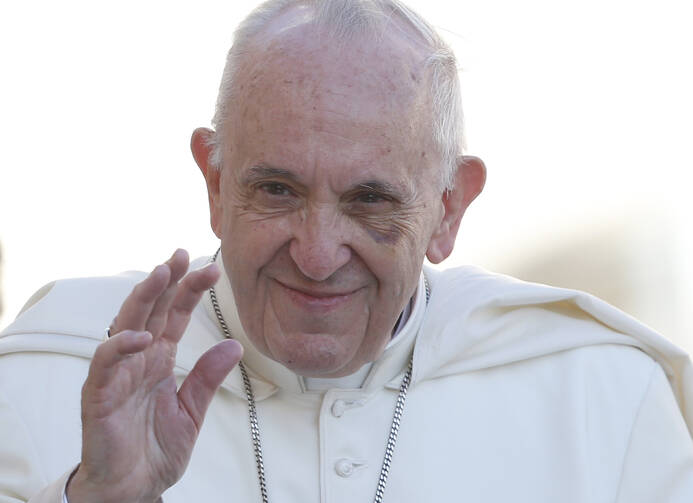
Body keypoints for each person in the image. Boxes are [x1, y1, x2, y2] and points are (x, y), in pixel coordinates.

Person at [1, 0, 692, 501]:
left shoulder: (600, 393)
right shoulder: (47, 375)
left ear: (448, 207)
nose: (317, 253)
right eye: (276, 189)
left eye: (370, 201)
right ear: (214, 182)